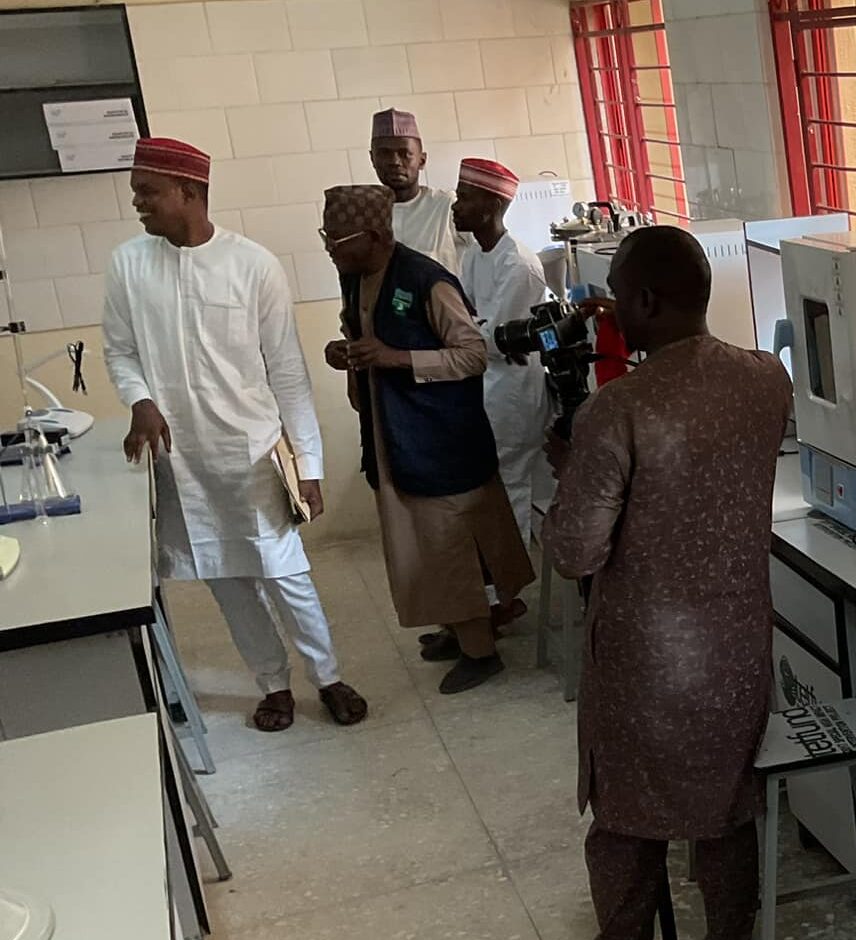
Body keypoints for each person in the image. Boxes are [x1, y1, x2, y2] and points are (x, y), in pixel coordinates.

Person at [547, 226, 792, 940]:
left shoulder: (617, 410)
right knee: (724, 813)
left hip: (643, 659)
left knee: (624, 820)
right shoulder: (765, 381)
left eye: (617, 293)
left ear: (647, 300)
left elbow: (577, 551)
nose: (612, 308)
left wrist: (568, 476)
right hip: (735, 647)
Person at [102, 137, 368, 732]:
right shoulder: (128, 264)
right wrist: (140, 400)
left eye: (148, 192)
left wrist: (310, 466)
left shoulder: (253, 265)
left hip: (252, 455)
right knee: (226, 581)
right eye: (137, 193)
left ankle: (326, 677)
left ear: (189, 192)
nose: (138, 203)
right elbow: (119, 351)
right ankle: (272, 685)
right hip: (183, 463)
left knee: (285, 575)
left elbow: (290, 375)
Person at [320, 184, 533, 694]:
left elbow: (472, 354)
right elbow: (365, 334)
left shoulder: (425, 280)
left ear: (372, 236)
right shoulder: (357, 275)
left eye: (337, 240)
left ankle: (480, 651)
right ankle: (456, 629)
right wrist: (346, 352)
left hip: (439, 437)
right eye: (325, 238)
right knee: (421, 545)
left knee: (449, 545)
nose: (330, 249)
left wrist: (397, 359)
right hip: (395, 432)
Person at [452, 157, 551, 543]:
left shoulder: (519, 265)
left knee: (514, 487)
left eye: (464, 197)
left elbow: (491, 340)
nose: (455, 206)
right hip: (488, 387)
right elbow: (465, 318)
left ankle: (513, 587)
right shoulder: (476, 254)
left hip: (512, 394)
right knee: (512, 485)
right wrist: (472, 330)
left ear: (492, 206)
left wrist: (471, 331)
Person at [368, 108, 467, 272]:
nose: (395, 162)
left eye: (404, 153)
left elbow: (486, 255)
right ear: (372, 159)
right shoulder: (365, 214)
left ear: (422, 160)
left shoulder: (446, 206)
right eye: (384, 153)